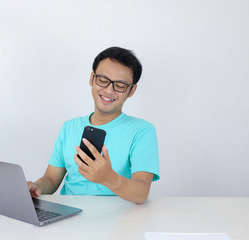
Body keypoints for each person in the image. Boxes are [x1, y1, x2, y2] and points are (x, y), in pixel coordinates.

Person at [27, 47, 159, 204]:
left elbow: (141, 193)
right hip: (68, 216)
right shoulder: (70, 127)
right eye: (103, 80)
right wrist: (36, 187)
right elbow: (51, 179)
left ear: (131, 90)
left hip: (119, 221)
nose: (109, 90)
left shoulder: (142, 131)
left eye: (120, 85)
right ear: (92, 79)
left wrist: (109, 178)